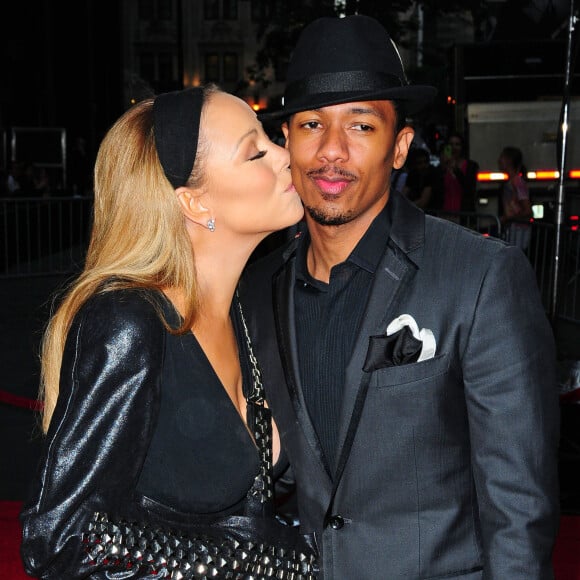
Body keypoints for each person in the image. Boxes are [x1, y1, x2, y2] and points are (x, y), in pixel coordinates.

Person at [239, 14, 560, 579]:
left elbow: (519, 507)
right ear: (285, 139)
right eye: (312, 124)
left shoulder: (482, 277)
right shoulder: (256, 290)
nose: (331, 151)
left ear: (399, 146)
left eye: (361, 126)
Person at [19, 84, 305, 579]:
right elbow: (58, 537)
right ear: (193, 203)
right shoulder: (127, 323)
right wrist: (241, 564)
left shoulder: (244, 312)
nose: (285, 155)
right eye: (255, 151)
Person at [433, 131, 479, 213]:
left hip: (464, 214)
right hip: (444, 213)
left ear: (462, 147)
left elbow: (469, 188)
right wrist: (443, 166)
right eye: (451, 144)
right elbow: (436, 189)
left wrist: (456, 169)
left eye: (457, 144)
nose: (454, 147)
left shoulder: (471, 166)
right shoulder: (441, 167)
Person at [498, 145, 533, 251]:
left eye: (502, 157)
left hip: (519, 232)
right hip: (514, 231)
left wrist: (509, 218)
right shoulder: (510, 183)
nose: (499, 160)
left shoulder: (517, 182)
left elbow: (527, 210)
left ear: (508, 161)